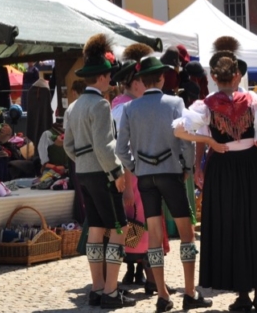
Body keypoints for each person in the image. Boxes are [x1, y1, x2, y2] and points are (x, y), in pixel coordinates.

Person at [174, 44, 257, 312]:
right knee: (255, 226)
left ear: (213, 77)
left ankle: (243, 295)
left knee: (231, 227)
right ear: (236, 76)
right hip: (252, 166)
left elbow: (179, 131)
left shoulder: (205, 105)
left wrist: (208, 141)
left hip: (222, 169)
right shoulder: (254, 101)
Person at [117, 55, 211, 311]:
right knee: (187, 235)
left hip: (145, 177)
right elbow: (187, 139)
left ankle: (162, 294)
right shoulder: (175, 102)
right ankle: (190, 292)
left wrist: (136, 167)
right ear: (160, 77)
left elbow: (120, 147)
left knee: (155, 237)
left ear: (141, 80)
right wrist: (187, 167)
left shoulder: (130, 108)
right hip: (171, 174)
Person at [63, 34, 134, 309]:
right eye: (109, 76)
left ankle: (97, 288)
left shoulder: (74, 106)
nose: (111, 81)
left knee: (95, 227)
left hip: (84, 172)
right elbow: (105, 145)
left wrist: (84, 162)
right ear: (102, 78)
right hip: (104, 173)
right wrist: (116, 173)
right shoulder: (101, 105)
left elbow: (69, 145)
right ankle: (111, 291)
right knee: (119, 228)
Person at [110, 42, 156, 290]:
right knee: (141, 221)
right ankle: (148, 275)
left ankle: (135, 270)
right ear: (134, 81)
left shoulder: (120, 103)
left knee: (138, 220)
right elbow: (123, 147)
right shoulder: (125, 107)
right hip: (134, 173)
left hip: (135, 171)